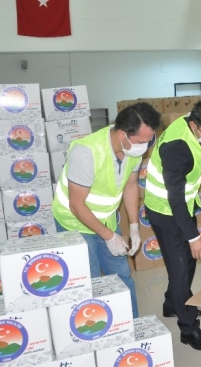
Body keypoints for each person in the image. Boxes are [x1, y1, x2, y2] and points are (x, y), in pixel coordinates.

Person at [52, 102, 161, 318]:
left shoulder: (132, 149)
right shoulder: (86, 152)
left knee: (121, 276)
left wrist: (134, 226)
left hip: (106, 219)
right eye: (141, 142)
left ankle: (130, 326)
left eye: (149, 142)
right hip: (74, 222)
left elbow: (131, 185)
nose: (145, 147)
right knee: (89, 282)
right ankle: (96, 329)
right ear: (122, 134)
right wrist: (110, 237)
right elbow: (76, 205)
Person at [144, 99, 201, 351]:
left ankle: (172, 304)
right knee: (180, 269)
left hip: (182, 208)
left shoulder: (191, 125)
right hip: (165, 211)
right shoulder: (177, 147)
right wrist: (193, 236)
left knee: (188, 262)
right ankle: (189, 330)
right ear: (194, 125)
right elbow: (175, 197)